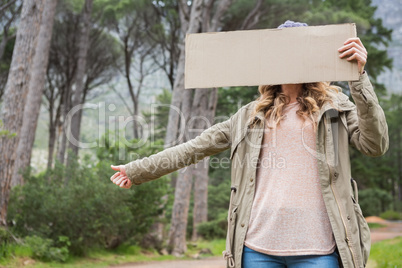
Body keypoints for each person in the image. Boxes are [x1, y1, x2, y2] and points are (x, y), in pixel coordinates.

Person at [109, 20, 389, 268]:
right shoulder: (249, 115)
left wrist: (359, 79)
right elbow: (193, 148)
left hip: (319, 249)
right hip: (257, 248)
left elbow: (374, 145)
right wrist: (136, 170)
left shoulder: (336, 107)